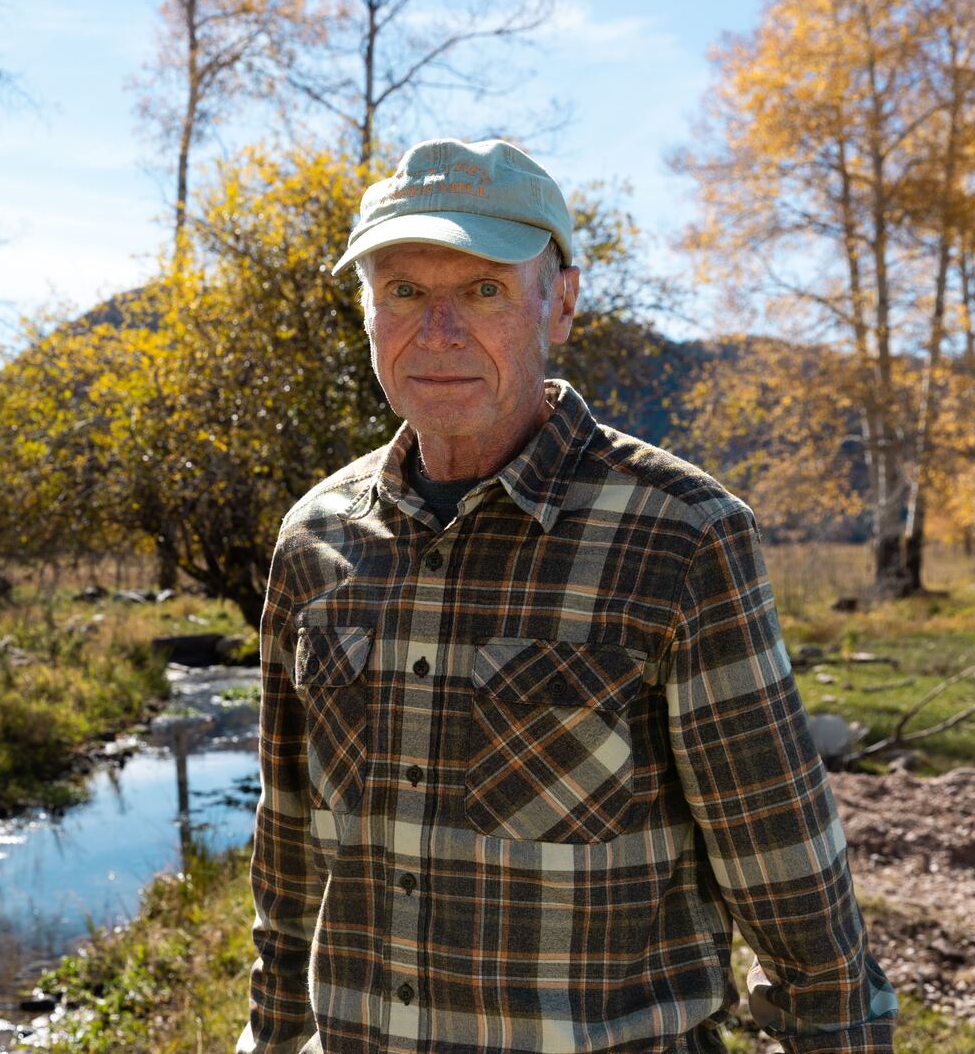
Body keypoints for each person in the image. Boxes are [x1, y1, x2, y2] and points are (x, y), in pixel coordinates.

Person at [238, 137, 898, 1054]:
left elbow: (786, 869)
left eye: (483, 291)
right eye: (403, 292)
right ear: (366, 313)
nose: (439, 332)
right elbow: (290, 846)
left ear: (562, 305)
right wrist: (269, 1039)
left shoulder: (682, 534)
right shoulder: (314, 540)